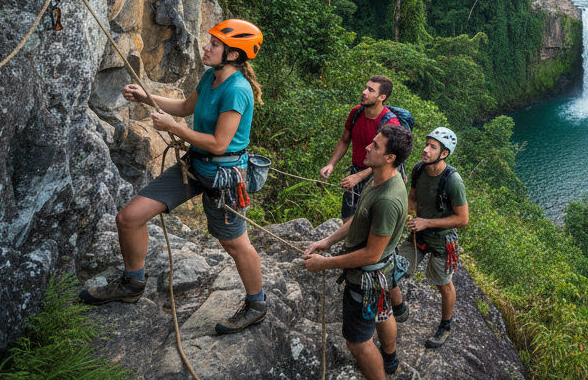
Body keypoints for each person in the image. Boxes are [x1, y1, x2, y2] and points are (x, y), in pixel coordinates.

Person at [79, 20, 267, 336]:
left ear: (233, 55)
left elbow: (220, 143)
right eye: (210, 41)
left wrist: (174, 128)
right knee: (128, 218)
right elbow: (183, 107)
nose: (206, 47)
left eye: (214, 44)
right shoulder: (211, 77)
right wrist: (146, 98)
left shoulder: (236, 90)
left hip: (224, 176)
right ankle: (133, 281)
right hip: (194, 166)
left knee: (234, 243)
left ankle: (257, 305)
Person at [303, 126, 413, 380]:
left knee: (358, 343)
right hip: (380, 275)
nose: (367, 146)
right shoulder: (379, 178)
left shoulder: (387, 199)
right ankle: (390, 358)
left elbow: (371, 255)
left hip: (366, 278)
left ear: (390, 158)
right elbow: (359, 218)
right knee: (382, 312)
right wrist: (328, 240)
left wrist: (325, 264)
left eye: (375, 145)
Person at [390, 127, 468, 349]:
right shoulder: (418, 169)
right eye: (426, 144)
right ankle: (399, 309)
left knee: (444, 285)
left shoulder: (453, 181)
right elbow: (413, 198)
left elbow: (462, 219)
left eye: (432, 147)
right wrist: (406, 212)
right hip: (419, 235)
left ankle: (445, 326)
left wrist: (427, 222)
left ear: (444, 153)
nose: (425, 150)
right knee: (392, 270)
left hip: (443, 242)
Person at [321, 76, 402, 219]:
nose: (364, 92)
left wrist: (359, 177)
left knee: (367, 220)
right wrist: (331, 164)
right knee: (348, 217)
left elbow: (386, 161)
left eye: (371, 90)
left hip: (379, 177)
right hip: (356, 170)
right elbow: (344, 140)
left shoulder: (391, 124)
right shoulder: (356, 113)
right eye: (366, 87)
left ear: (381, 97)